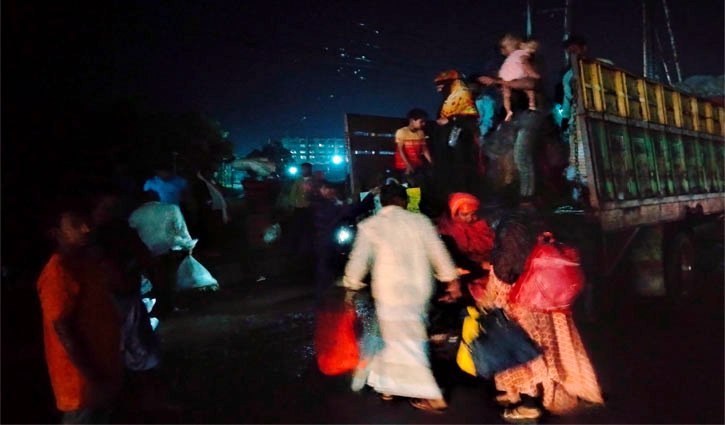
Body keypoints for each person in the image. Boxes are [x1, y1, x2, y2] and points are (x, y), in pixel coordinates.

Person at [342, 183, 461, 414]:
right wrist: (451, 280)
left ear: (382, 202)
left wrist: (351, 286)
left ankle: (433, 396)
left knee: (403, 342)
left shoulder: (371, 225)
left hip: (389, 294)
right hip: (418, 292)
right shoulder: (420, 222)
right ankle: (388, 385)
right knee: (399, 340)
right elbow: (438, 252)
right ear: (404, 201)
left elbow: (358, 260)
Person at [478, 206, 604, 422]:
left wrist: (487, 300)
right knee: (545, 351)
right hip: (545, 305)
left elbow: (503, 276)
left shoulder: (509, 239)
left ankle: (529, 405)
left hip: (520, 307)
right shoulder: (539, 235)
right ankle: (528, 393)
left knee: (523, 355)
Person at [37, 199, 123, 423]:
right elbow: (64, 329)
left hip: (101, 370)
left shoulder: (84, 262)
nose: (86, 228)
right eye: (75, 224)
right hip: (82, 383)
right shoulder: (58, 272)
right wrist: (94, 378)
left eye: (85, 221)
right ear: (56, 233)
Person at [128, 190, 198, 316]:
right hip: (170, 249)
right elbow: (181, 228)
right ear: (158, 198)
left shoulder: (135, 214)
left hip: (149, 252)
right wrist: (188, 244)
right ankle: (171, 306)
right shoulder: (171, 208)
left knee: (156, 281)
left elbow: (132, 235)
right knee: (170, 279)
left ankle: (160, 307)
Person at [311, 180, 377, 299]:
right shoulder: (324, 206)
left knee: (326, 276)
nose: (331, 191)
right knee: (327, 277)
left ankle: (326, 299)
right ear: (320, 190)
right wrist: (370, 195)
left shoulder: (326, 204)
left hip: (325, 245)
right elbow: (350, 211)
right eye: (327, 188)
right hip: (327, 246)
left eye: (332, 188)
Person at [429, 69, 483, 216]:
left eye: (441, 84)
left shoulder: (462, 97)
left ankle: (464, 209)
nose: (438, 88)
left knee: (461, 177)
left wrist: (451, 120)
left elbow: (469, 121)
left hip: (460, 150)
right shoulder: (448, 100)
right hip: (447, 151)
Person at [497, 36, 541, 121]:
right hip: (515, 76)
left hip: (504, 77)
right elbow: (525, 65)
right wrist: (533, 74)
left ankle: (508, 111)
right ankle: (532, 104)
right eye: (531, 48)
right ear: (522, 45)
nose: (533, 50)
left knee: (506, 96)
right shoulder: (523, 54)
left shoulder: (511, 57)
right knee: (529, 89)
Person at [394, 108, 433, 187]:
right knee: (408, 186)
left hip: (416, 164)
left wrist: (431, 162)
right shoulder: (402, 132)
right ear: (412, 121)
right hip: (404, 166)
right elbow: (401, 150)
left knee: (419, 185)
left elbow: (424, 149)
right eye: (421, 121)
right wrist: (408, 165)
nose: (424, 124)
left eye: (424, 122)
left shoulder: (421, 133)